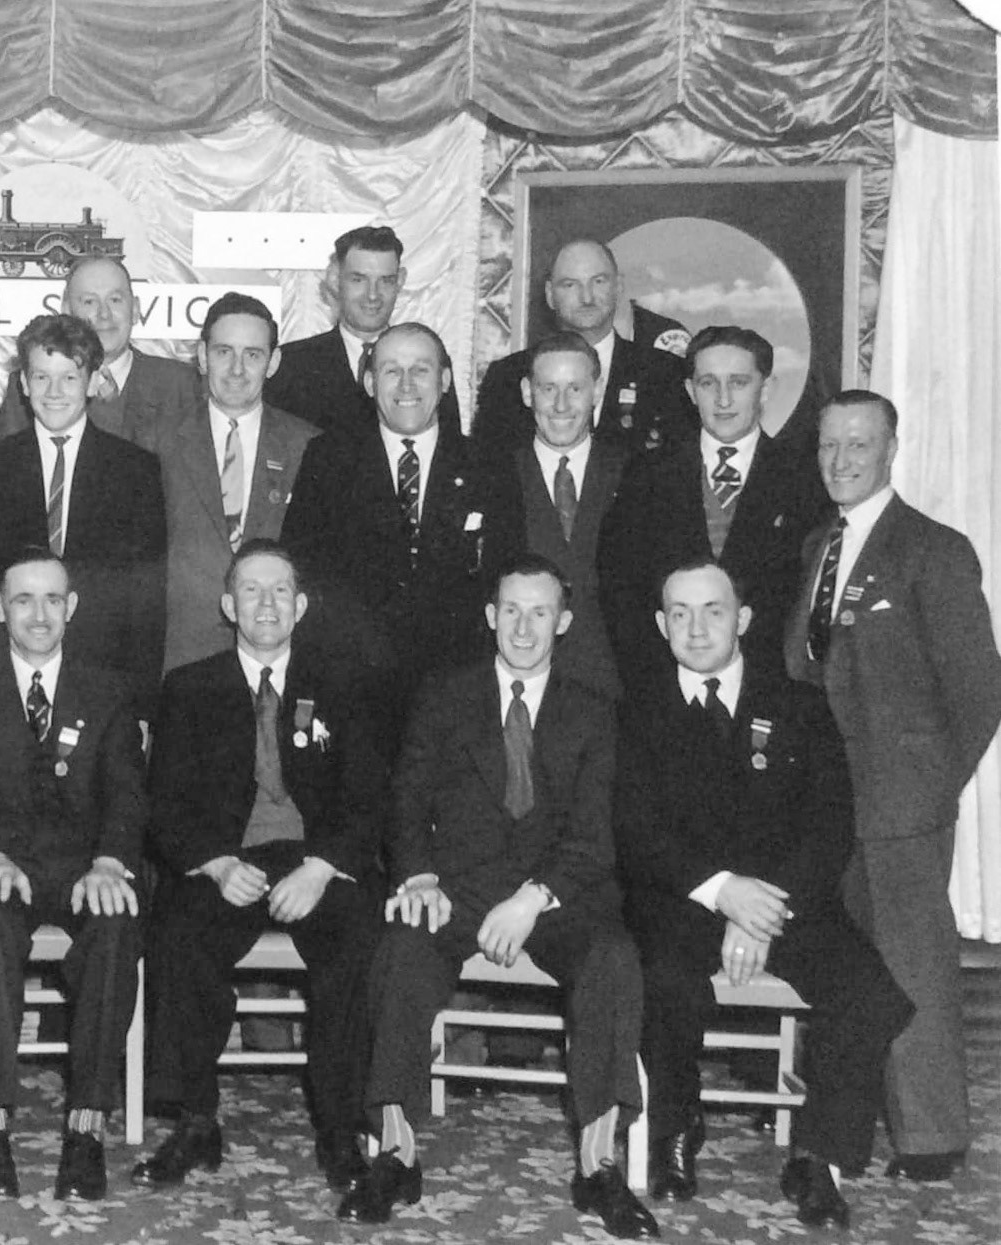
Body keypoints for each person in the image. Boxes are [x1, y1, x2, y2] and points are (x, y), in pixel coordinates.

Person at [341, 556, 654, 1239]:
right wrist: (417, 874)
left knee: (612, 960)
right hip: (456, 889)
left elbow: (598, 837)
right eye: (510, 609)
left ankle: (599, 1162)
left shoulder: (594, 711)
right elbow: (406, 799)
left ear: (563, 621)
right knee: (398, 950)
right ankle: (396, 1150)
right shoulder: (444, 694)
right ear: (490, 614)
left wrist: (533, 898)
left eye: (539, 611)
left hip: (556, 896)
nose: (523, 625)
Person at [620, 559, 911, 1227]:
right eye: (681, 613)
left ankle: (818, 1156)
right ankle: (675, 1127)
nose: (697, 627)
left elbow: (830, 823)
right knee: (661, 975)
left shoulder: (799, 704)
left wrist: (762, 912)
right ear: (662, 624)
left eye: (714, 609)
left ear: (743, 618)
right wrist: (724, 894)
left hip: (788, 904)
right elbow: (632, 826)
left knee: (866, 991)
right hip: (684, 899)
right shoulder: (635, 709)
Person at [785, 390, 1001, 1182]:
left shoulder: (932, 549)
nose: (841, 460)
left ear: (891, 449)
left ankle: (931, 1139)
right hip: (830, 804)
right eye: (829, 446)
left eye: (859, 445)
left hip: (900, 806)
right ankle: (859, 1121)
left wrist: (928, 785)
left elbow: (980, 689)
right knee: (855, 972)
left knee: (915, 969)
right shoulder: (818, 546)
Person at [133, 540, 386, 1192]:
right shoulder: (189, 687)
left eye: (280, 590)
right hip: (229, 860)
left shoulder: (346, 680)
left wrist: (324, 865)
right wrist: (215, 863)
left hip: (315, 863)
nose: (266, 603)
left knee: (359, 939)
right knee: (178, 932)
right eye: (251, 589)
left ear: (300, 605)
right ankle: (195, 1119)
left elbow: (369, 794)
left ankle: (340, 1126)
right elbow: (162, 806)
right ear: (227, 603)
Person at [0, 549, 148, 1202]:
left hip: (85, 867)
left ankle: (85, 1131)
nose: (38, 614)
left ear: (71, 607)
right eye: (22, 599)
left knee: (116, 927)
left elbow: (127, 793)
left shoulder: (108, 689)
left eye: (52, 599)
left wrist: (111, 859)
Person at [282, 321, 510, 708]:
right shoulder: (329, 459)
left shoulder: (487, 466)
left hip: (460, 696)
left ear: (445, 380)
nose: (406, 384)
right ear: (370, 383)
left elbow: (504, 575)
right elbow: (304, 571)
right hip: (355, 693)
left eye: (421, 369)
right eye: (391, 370)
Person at [0, 313, 167, 702]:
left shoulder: (135, 471)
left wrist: (142, 705)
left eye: (69, 377)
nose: (54, 391)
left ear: (94, 383)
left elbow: (145, 601)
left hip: (102, 678)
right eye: (41, 377)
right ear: (23, 383)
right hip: (3, 676)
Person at [600, 325, 829, 697]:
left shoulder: (804, 480)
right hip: (666, 693)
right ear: (691, 391)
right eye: (708, 383)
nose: (723, 399)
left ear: (766, 388)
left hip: (771, 690)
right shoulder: (647, 474)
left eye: (738, 383)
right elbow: (621, 587)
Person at [155, 292, 319, 673]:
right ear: (201, 356)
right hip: (181, 654)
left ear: (273, 362)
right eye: (224, 352)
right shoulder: (156, 442)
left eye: (253, 354)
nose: (237, 369)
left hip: (278, 656)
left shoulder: (308, 445)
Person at [473, 239, 695, 465]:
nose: (587, 297)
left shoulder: (667, 374)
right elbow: (489, 474)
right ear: (550, 294)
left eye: (598, 281)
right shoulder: (507, 377)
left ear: (618, 286)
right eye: (570, 285)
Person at [491, 333, 628, 699]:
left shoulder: (636, 474)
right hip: (515, 692)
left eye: (575, 389)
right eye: (548, 388)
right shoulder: (491, 476)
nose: (562, 405)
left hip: (612, 690)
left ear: (597, 391)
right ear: (526, 392)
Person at [263, 225, 462, 436]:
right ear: (334, 279)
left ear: (401, 280)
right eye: (359, 279)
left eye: (386, 280)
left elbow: (449, 453)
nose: (373, 295)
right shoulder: (291, 366)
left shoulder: (430, 361)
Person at [0, 255, 203, 448]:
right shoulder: (28, 387)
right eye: (89, 301)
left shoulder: (181, 385)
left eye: (115, 300)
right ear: (67, 310)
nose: (104, 314)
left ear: (135, 309)